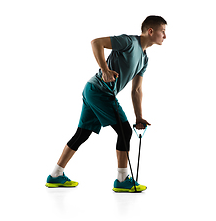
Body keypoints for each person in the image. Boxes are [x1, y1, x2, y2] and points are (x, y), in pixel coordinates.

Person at [45, 15, 167, 192]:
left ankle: (55, 175)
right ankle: (122, 179)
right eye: (163, 31)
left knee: (82, 133)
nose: (165, 36)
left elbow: (136, 90)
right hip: (99, 91)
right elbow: (96, 42)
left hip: (94, 91)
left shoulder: (144, 59)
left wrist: (139, 117)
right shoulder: (129, 42)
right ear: (150, 31)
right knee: (124, 131)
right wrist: (105, 69)